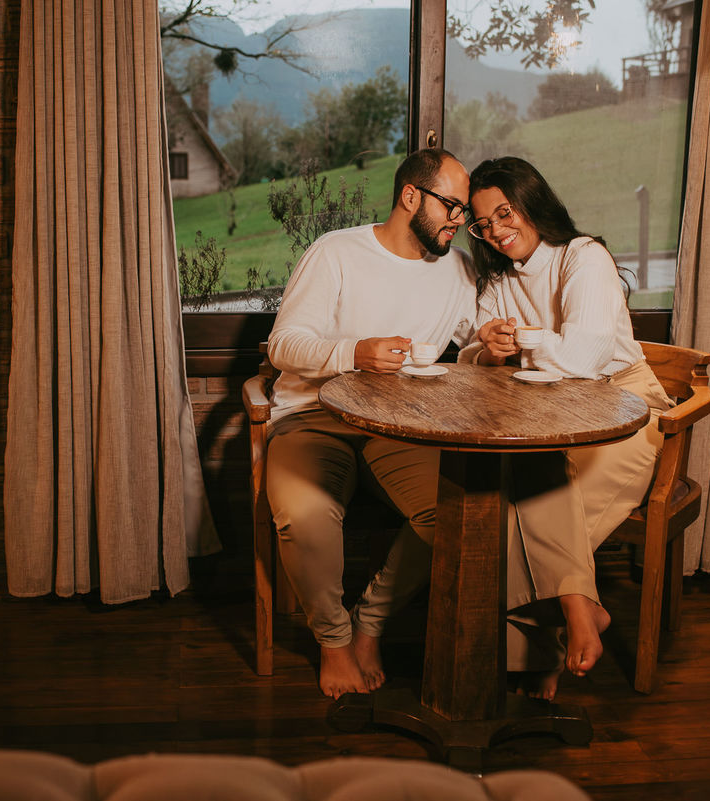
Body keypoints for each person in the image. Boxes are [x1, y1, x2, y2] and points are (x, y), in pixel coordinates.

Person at [458, 156, 674, 700]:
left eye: (504, 213)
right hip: (550, 418)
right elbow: (467, 360)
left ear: (531, 201)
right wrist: (489, 348)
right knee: (527, 480)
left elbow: (583, 355)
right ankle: (579, 612)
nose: (497, 231)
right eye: (483, 224)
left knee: (524, 512)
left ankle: (533, 655)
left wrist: (523, 340)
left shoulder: (585, 258)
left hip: (627, 411)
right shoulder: (499, 277)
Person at [265, 148, 477, 698]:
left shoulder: (458, 268)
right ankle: (333, 643)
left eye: (462, 211)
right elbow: (284, 345)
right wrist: (353, 353)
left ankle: (369, 623)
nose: (460, 220)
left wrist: (490, 347)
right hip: (313, 419)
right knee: (306, 516)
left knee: (454, 515)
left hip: (400, 427)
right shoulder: (336, 252)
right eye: (452, 206)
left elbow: (471, 348)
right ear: (411, 196)